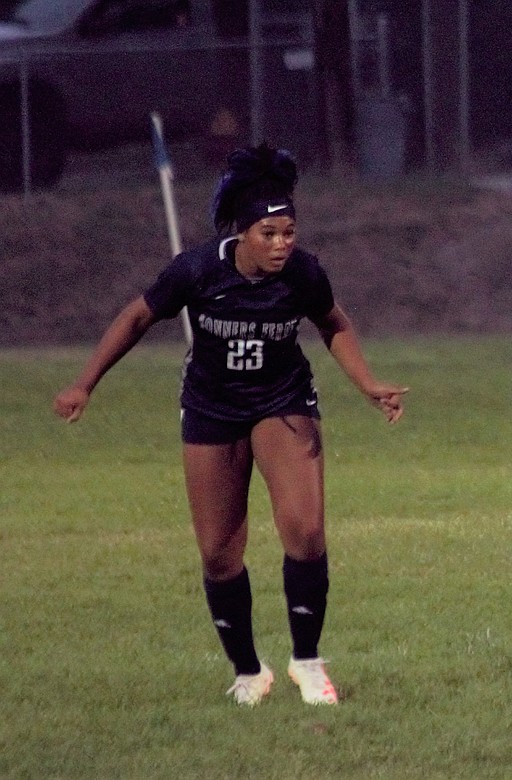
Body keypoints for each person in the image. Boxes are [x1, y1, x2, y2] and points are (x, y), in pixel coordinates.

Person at [53, 144, 408, 706]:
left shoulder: (304, 273)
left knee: (307, 532)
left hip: (283, 400)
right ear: (242, 233)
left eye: (289, 231)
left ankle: (308, 663)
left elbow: (332, 321)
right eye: (269, 234)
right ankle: (248, 671)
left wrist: (367, 384)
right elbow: (138, 314)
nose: (281, 243)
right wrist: (84, 383)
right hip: (212, 407)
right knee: (219, 552)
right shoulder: (197, 270)